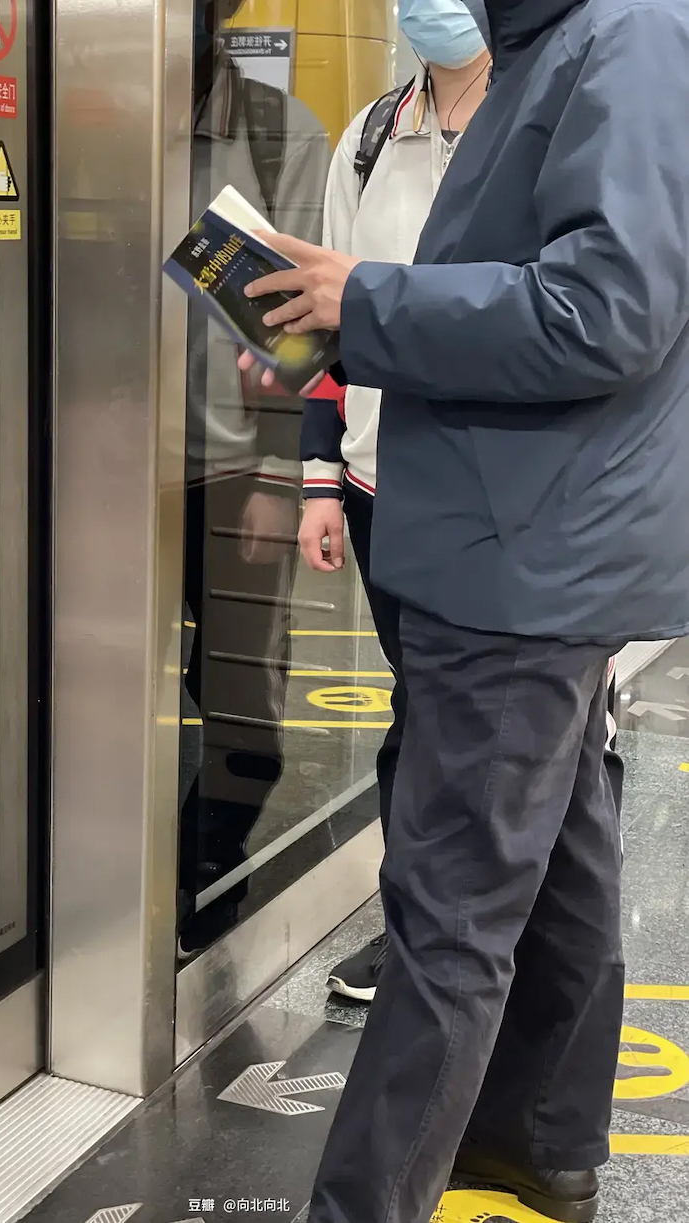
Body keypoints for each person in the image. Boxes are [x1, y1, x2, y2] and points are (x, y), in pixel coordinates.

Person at [241, 0, 689, 1219]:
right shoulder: (555, 46)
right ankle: (539, 1134)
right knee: (560, 852)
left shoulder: (625, 37)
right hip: (513, 534)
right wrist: (342, 322)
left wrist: (369, 302)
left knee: (450, 909)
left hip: (521, 553)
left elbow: (607, 309)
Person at [300, 0, 623, 1005]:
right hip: (377, 482)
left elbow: (580, 318)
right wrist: (318, 476)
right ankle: (424, 929)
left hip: (506, 495)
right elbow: (323, 320)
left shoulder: (551, 116)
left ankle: (488, 952)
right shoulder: (369, 139)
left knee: (548, 746)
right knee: (426, 717)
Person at [178, 0, 331, 954]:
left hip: (233, 471)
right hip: (98, 479)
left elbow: (307, 337)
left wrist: (283, 474)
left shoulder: (279, 138)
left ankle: (203, 880)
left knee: (242, 712)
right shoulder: (85, 126)